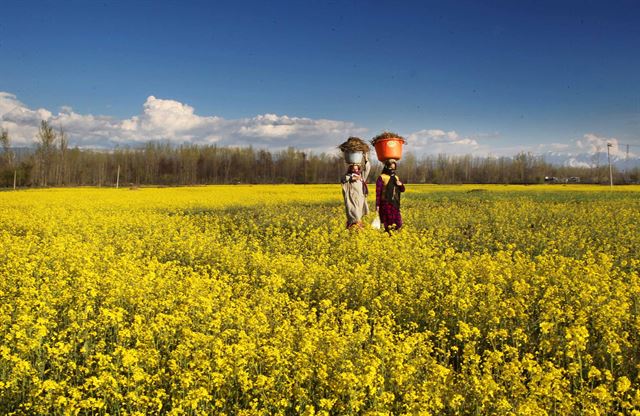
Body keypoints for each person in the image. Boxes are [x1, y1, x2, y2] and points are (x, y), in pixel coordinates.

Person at [375, 159, 405, 232]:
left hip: (395, 203)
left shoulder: (396, 177)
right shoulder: (382, 177)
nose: (392, 170)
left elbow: (402, 190)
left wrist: (401, 185)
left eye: (393, 168)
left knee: (398, 223)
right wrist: (377, 205)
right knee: (388, 223)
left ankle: (394, 237)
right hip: (385, 203)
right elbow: (378, 192)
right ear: (386, 167)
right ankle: (388, 237)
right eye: (390, 168)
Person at [341, 154, 370, 228]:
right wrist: (351, 178)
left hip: (360, 199)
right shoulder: (348, 176)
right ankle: (355, 230)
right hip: (352, 199)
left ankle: (356, 232)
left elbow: (367, 170)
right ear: (351, 169)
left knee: (359, 216)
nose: (355, 170)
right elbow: (344, 179)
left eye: (357, 169)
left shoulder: (361, 176)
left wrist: (366, 160)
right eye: (354, 169)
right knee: (354, 216)